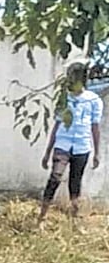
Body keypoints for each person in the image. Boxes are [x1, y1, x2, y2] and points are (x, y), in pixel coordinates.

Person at [38, 62, 103, 225]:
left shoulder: (93, 100)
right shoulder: (64, 99)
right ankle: (42, 217)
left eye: (75, 77)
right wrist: (47, 152)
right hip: (63, 146)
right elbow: (57, 125)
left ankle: (74, 221)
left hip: (82, 147)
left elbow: (95, 127)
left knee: (75, 183)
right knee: (55, 178)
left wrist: (97, 152)